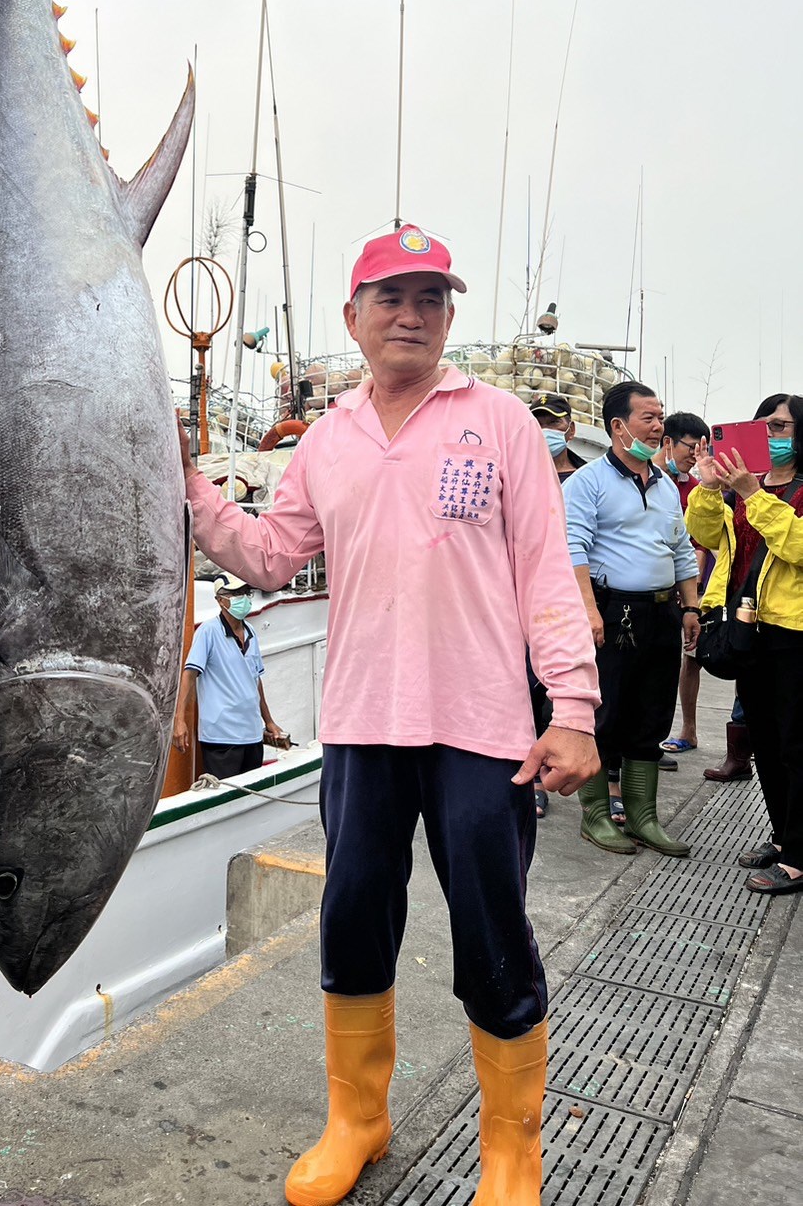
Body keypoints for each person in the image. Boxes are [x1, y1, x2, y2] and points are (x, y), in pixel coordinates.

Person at [179, 226, 600, 1206]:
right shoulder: (327, 440)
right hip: (363, 725)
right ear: (352, 319)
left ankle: (510, 1152)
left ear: (448, 316)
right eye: (388, 297)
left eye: (428, 298)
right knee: (352, 916)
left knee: (491, 930)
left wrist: (571, 709)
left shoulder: (497, 422)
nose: (409, 315)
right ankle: (356, 1118)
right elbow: (272, 556)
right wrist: (189, 488)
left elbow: (544, 573)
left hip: (483, 730)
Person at [563, 382, 701, 859]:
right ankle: (597, 815)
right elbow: (572, 546)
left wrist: (690, 606)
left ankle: (644, 817)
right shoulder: (586, 483)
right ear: (618, 426)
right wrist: (588, 609)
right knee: (606, 713)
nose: (659, 425)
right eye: (649, 417)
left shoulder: (666, 487)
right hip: (612, 611)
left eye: (660, 416)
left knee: (652, 713)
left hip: (662, 612)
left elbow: (681, 550)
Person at [686, 393, 803, 895]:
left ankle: (800, 856)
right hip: (746, 626)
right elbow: (705, 534)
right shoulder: (739, 488)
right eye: (765, 426)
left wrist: (754, 495)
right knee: (768, 746)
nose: (772, 434)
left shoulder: (782, 489)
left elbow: (797, 546)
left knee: (798, 745)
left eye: (782, 426)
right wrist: (711, 490)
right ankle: (783, 838)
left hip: (794, 633)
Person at [526, 392, 586, 818]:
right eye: (539, 421)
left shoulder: (583, 479)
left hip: (572, 600)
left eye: (554, 422)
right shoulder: (521, 474)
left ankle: (553, 769)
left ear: (571, 428)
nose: (547, 429)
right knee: (526, 694)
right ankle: (532, 781)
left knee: (560, 696)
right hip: (524, 604)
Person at [172, 571, 287, 777]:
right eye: (235, 594)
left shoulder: (251, 631)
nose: (242, 598)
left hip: (252, 735)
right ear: (220, 600)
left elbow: (255, 680)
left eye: (244, 592)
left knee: (251, 799)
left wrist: (268, 721)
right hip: (222, 737)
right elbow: (189, 674)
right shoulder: (208, 632)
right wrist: (179, 720)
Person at [654, 411, 711, 761]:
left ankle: (685, 730)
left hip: (688, 590)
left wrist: (693, 593)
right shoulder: (643, 479)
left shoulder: (694, 486)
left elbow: (698, 543)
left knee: (689, 657)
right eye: (691, 448)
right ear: (668, 442)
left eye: (703, 449)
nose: (695, 456)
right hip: (649, 591)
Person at [529, 392, 585, 483]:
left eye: (554, 422)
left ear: (571, 429)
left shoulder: (589, 478)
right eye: (537, 424)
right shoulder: (517, 477)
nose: (545, 430)